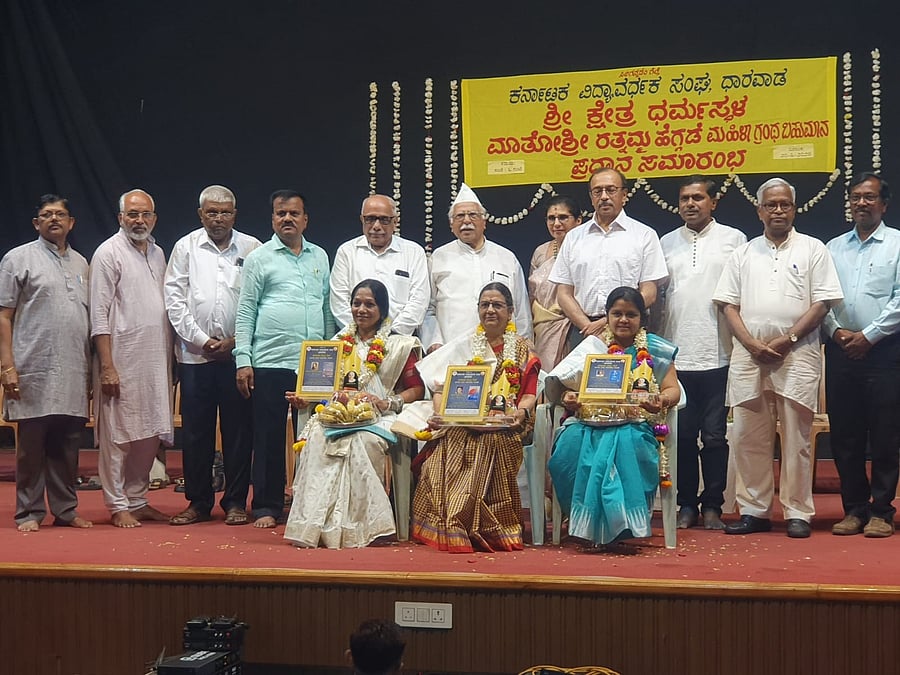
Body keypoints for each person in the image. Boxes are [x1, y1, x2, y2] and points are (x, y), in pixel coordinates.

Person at [713, 177, 843, 538]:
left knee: (797, 439)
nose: (778, 210)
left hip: (797, 355)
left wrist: (789, 338)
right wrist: (751, 344)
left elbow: (823, 303)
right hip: (749, 357)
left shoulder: (813, 249)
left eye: (785, 204)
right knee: (747, 437)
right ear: (759, 210)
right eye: (771, 205)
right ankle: (754, 510)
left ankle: (798, 512)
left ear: (794, 208)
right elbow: (728, 304)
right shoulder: (743, 252)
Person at [283, 279, 425, 548]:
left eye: (369, 304)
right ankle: (316, 523)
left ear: (382, 310)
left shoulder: (399, 345)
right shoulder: (336, 344)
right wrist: (306, 399)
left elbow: (416, 389)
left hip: (381, 416)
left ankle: (371, 525)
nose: (361, 309)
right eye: (356, 303)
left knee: (362, 442)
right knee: (316, 438)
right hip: (336, 415)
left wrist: (387, 402)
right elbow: (320, 388)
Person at [546, 286, 681, 547]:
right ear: (606, 316)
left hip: (635, 425)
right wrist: (567, 398)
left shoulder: (655, 349)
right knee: (565, 451)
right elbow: (561, 386)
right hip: (588, 423)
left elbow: (672, 389)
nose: (623, 320)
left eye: (631, 314)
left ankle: (620, 526)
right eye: (616, 313)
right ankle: (585, 523)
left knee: (628, 444)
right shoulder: (592, 348)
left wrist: (661, 400)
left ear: (642, 318)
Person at [412, 282, 540, 552]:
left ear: (511, 311)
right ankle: (452, 523)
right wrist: (440, 415)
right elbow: (440, 388)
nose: (490, 310)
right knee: (444, 452)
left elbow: (528, 394)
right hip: (463, 423)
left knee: (488, 445)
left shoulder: (522, 350)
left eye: (497, 305)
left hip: (506, 426)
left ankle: (480, 525)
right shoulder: (465, 345)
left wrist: (521, 411)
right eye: (484, 305)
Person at [234, 189, 335, 528]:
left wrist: (335, 355)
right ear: (272, 219)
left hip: (315, 363)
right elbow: (246, 310)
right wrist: (243, 359)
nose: (287, 219)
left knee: (314, 433)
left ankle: (311, 500)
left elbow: (325, 308)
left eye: (294, 213)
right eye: (281, 213)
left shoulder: (319, 256)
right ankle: (266, 505)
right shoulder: (259, 258)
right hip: (270, 359)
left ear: (306, 219)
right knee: (268, 436)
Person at [164, 185, 261, 527]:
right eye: (212, 212)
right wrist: (203, 341)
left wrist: (234, 342)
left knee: (238, 432)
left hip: (239, 355)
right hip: (195, 357)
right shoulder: (185, 247)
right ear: (200, 214)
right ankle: (198, 501)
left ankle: (235, 501)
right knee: (195, 433)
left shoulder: (252, 247)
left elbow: (259, 302)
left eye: (225, 212)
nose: (218, 219)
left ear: (235, 215)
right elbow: (174, 300)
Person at [659, 176, 747, 530]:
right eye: (684, 198)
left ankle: (713, 504)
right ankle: (686, 505)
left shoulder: (734, 240)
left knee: (713, 435)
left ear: (714, 202)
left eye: (698, 197)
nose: (690, 204)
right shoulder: (665, 243)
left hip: (718, 353)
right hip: (676, 356)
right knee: (680, 435)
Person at [0, 194, 93, 532]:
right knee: (31, 447)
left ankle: (66, 510)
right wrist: (7, 364)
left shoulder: (82, 264)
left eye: (61, 214)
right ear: (36, 223)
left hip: (72, 367)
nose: (54, 219)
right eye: (46, 215)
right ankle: (29, 512)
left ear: (71, 223)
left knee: (68, 446)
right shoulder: (17, 259)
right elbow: (4, 315)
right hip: (31, 367)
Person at [90, 189, 174, 528]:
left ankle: (138, 499)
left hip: (155, 360)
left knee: (149, 432)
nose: (139, 221)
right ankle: (117, 503)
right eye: (132, 214)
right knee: (118, 434)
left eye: (145, 215)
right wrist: (107, 366)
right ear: (120, 218)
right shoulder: (108, 253)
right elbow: (98, 315)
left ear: (154, 218)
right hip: (121, 360)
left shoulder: (158, 252)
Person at [824, 172, 900, 538]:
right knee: (846, 436)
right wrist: (838, 332)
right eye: (856, 197)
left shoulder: (897, 244)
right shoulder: (833, 247)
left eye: (869, 198)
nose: (861, 203)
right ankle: (854, 509)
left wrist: (869, 336)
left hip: (885, 352)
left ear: (883, 204)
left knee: (886, 436)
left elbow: (899, 300)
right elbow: (821, 298)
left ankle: (882, 512)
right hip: (841, 352)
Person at [550, 167, 668, 352]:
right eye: (597, 191)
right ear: (591, 197)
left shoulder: (644, 235)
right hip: (583, 330)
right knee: (582, 382)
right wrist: (588, 327)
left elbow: (649, 293)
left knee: (632, 380)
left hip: (629, 330)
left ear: (624, 195)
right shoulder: (574, 237)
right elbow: (564, 293)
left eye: (611, 190)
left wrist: (608, 321)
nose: (604, 196)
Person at [420, 184, 532, 354]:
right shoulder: (439, 257)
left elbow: (520, 308)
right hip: (451, 348)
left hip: (501, 349)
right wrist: (434, 341)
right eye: (459, 216)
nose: (466, 221)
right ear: (451, 225)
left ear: (483, 222)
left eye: (472, 215)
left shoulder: (506, 257)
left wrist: (524, 343)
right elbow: (428, 307)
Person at [329, 195, 430, 336]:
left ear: (395, 221)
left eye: (384, 220)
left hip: (400, 340)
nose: (376, 226)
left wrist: (392, 335)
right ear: (362, 220)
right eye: (370, 219)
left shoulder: (413, 252)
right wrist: (361, 334)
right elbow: (339, 301)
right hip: (354, 341)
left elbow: (419, 299)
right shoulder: (347, 251)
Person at [528, 195, 583, 370]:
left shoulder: (586, 250)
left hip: (575, 327)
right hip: (543, 328)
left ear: (578, 221)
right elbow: (532, 295)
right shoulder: (540, 251)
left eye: (563, 217)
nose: (556, 223)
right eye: (551, 218)